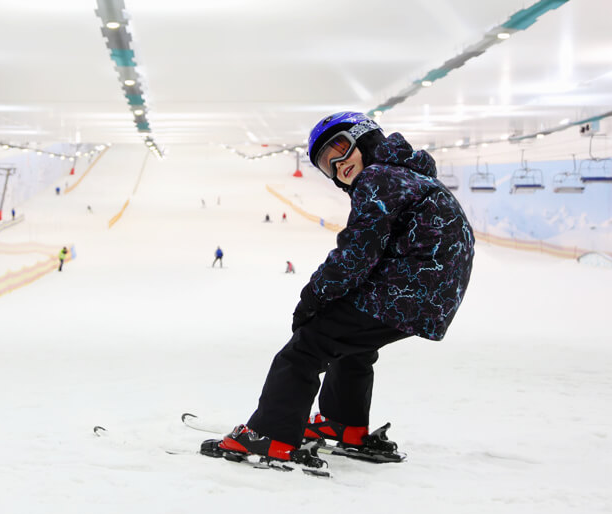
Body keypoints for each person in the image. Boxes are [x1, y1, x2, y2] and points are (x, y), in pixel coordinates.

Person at [202, 111, 474, 466]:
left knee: (306, 346)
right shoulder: (406, 176)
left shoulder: (380, 178)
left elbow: (356, 252)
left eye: (341, 149)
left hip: (409, 289)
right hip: (430, 294)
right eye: (327, 164)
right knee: (350, 344)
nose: (338, 165)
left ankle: (270, 435)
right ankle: (343, 425)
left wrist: (312, 298)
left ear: (365, 139)